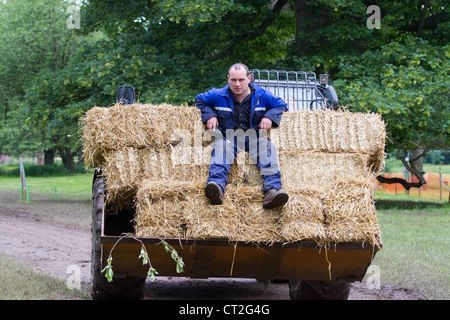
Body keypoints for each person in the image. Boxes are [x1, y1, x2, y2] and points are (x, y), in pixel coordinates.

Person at [195, 63, 289, 209]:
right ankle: (216, 189)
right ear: (228, 79)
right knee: (221, 146)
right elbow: (199, 100)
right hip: (229, 138)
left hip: (254, 138)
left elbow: (281, 105)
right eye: (233, 80)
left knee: (267, 147)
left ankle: (272, 191)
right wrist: (210, 115)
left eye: (241, 80)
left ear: (249, 78)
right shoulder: (217, 95)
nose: (237, 84)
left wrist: (269, 117)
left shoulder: (262, 95)